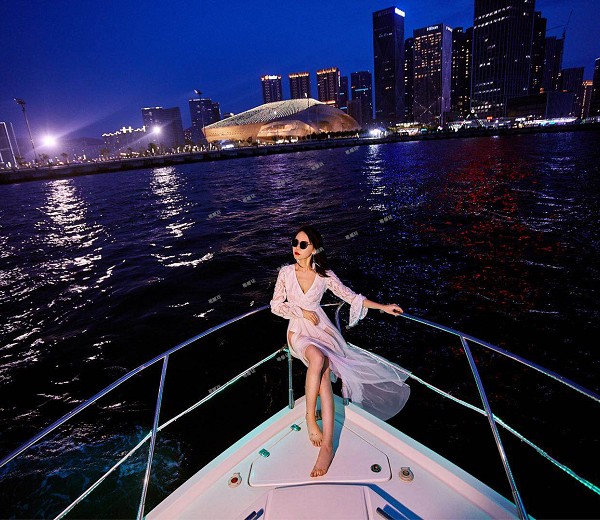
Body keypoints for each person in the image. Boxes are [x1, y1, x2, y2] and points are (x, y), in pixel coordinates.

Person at [270, 224, 411, 478]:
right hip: (298, 332)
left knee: (324, 374)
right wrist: (301, 311)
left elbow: (351, 297)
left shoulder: (325, 275)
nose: (296, 248)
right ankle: (310, 419)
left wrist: (383, 307)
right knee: (317, 358)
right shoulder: (286, 273)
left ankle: (327, 446)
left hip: (322, 332)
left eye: (303, 244)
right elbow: (275, 306)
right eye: (294, 243)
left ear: (314, 248)